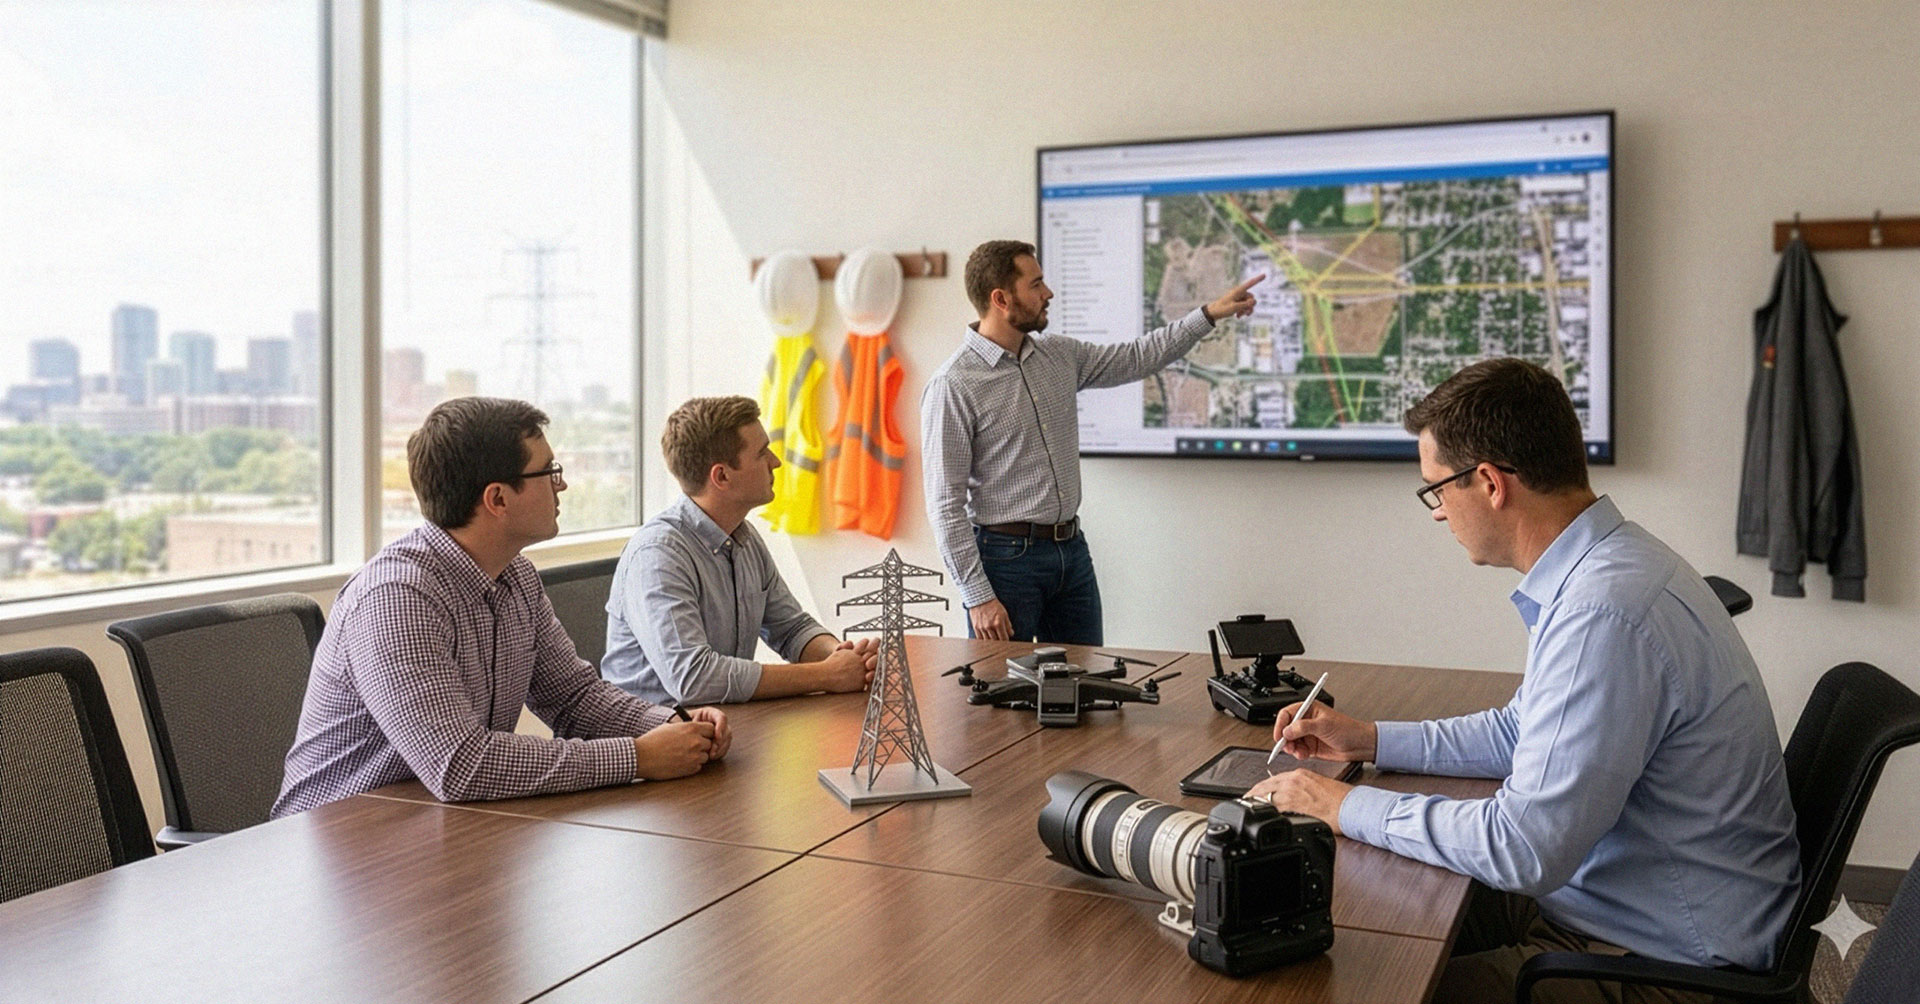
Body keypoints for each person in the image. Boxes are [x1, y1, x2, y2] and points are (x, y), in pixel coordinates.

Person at [1246, 359, 1801, 1004]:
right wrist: (1371, 740)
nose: (1436, 512)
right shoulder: (1612, 563)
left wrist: (1341, 805)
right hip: (1622, 901)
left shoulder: (1604, 613)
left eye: (1436, 489)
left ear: (1488, 483)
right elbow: (1524, 729)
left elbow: (1524, 849)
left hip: (1662, 964)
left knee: (1361, 983)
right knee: (1345, 912)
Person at [273, 397, 727, 818]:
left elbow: (573, 697)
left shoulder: (516, 577)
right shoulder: (397, 598)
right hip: (335, 849)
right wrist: (638, 756)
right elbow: (460, 764)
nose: (562, 484)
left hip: (443, 826)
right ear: (497, 499)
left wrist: (676, 724)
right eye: (549, 472)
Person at [921, 239, 1261, 644]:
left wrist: (1207, 316)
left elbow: (1138, 357)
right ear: (1001, 299)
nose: (1048, 293)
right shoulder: (954, 384)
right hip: (1005, 563)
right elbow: (945, 504)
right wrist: (977, 597)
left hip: (1072, 554)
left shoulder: (1058, 355)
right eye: (1036, 284)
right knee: (1004, 698)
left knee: (1086, 688)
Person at [600, 395, 877, 705]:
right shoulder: (658, 554)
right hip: (653, 736)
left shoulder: (744, 538)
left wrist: (841, 657)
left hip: (722, 724)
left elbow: (791, 629)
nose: (776, 461)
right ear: (721, 476)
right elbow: (694, 678)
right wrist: (826, 675)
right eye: (761, 454)